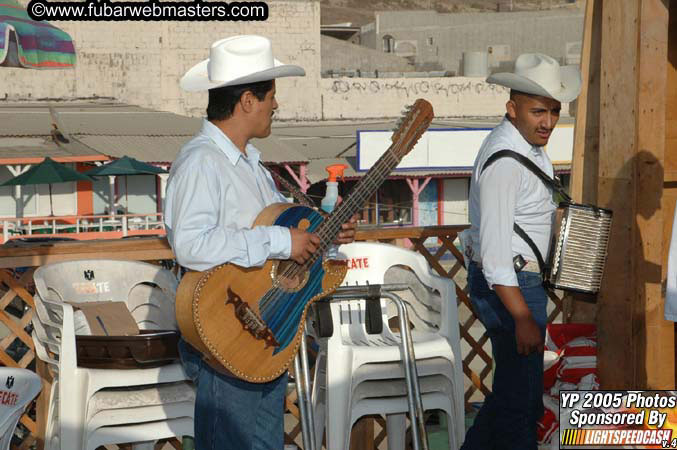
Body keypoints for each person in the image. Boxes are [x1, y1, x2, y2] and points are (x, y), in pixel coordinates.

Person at [164, 35, 357, 450]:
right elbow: (191, 245)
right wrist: (282, 240)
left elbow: (282, 230)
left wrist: (322, 237)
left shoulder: (249, 164)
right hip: (226, 333)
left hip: (261, 331)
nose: (276, 104)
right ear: (248, 101)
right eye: (271, 95)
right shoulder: (202, 162)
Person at [461, 53, 581, 450]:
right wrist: (522, 317)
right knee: (521, 406)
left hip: (519, 282)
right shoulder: (505, 161)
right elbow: (494, 253)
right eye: (537, 111)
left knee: (513, 398)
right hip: (511, 286)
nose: (547, 121)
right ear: (512, 109)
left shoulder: (524, 147)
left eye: (553, 111)